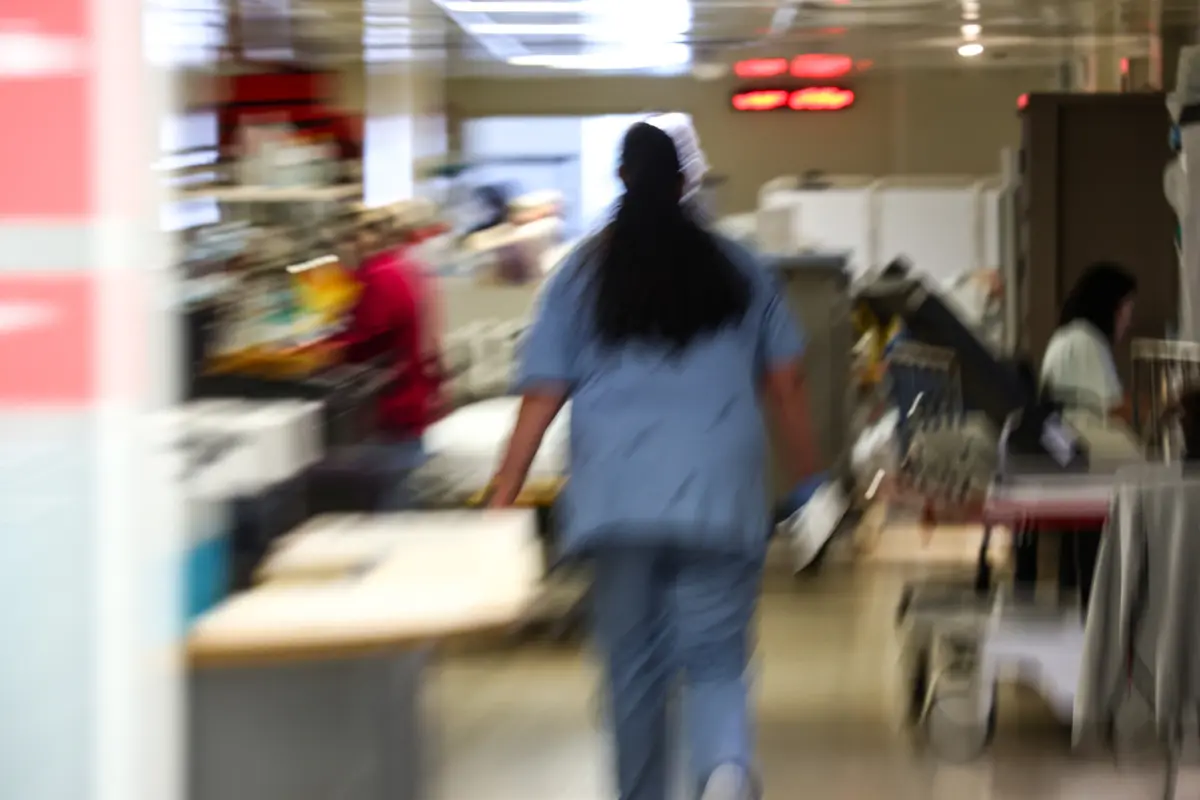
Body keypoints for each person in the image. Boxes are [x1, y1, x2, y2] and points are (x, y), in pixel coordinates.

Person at [489, 122, 821, 800]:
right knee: (716, 660)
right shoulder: (741, 268)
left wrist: (500, 499)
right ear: (686, 182)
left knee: (631, 677)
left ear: (622, 180)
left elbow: (540, 399)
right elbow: (786, 385)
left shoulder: (579, 275)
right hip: (719, 498)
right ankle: (723, 769)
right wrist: (813, 484)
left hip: (617, 504)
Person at [1037, 261, 1137, 611]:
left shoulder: (1063, 337)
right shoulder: (1088, 342)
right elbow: (1115, 410)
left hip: (1058, 446)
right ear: (1110, 306)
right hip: (1083, 448)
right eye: (1127, 309)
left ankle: (1077, 597)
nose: (1128, 320)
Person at [336, 212, 444, 508]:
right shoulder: (410, 269)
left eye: (356, 235)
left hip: (392, 408)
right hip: (412, 399)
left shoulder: (382, 275)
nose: (353, 243)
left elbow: (364, 337)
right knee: (401, 495)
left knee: (392, 505)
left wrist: (324, 350)